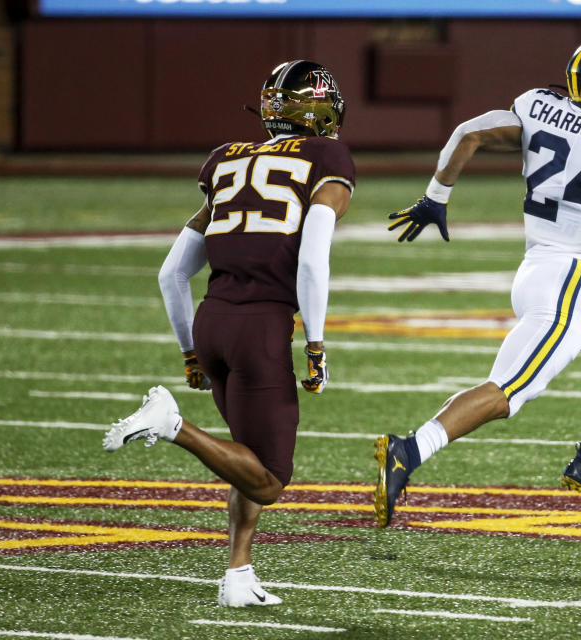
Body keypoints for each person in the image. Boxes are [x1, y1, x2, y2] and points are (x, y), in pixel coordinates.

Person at [373, 38, 581, 527]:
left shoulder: (538, 106)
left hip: (544, 272)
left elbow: (468, 133)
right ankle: (409, 450)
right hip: (569, 281)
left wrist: (435, 198)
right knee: (508, 391)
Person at [103, 60, 354, 605]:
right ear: (319, 110)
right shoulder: (327, 156)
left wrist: (190, 350)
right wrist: (315, 342)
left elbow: (172, 273)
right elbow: (311, 261)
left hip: (212, 322)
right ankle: (172, 426)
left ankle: (237, 576)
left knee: (247, 454)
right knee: (269, 478)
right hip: (260, 329)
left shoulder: (226, 159)